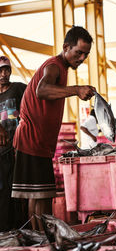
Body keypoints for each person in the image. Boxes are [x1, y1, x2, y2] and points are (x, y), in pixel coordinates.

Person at [11, 26, 96, 230]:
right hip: (31, 140)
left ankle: (39, 238)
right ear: (66, 47)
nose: (82, 58)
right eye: (78, 52)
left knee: (39, 196)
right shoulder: (54, 66)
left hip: (38, 143)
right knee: (41, 196)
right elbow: (42, 90)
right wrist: (76, 90)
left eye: (86, 54)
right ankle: (42, 240)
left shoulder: (61, 69)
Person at [0, 56, 26, 231]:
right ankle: (4, 228)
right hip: (1, 150)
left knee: (17, 190)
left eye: (6, 70)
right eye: (0, 70)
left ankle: (19, 227)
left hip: (17, 147)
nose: (3, 74)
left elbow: (34, 100)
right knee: (3, 191)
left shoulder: (18, 88)